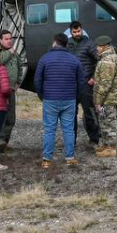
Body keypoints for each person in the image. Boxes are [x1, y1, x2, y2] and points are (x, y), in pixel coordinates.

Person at [35, 33, 85, 168]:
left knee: (49, 130)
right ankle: (70, 157)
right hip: (69, 99)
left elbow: (37, 80)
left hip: (50, 99)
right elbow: (81, 81)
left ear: (55, 43)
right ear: (66, 44)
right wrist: (76, 97)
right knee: (69, 130)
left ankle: (47, 159)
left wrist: (42, 96)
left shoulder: (44, 59)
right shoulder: (74, 60)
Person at [66, 21, 101, 147]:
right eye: (74, 32)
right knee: (70, 115)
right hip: (70, 85)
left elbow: (100, 61)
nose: (77, 34)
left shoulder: (89, 44)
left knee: (90, 113)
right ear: (71, 32)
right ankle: (71, 141)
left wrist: (94, 77)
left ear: (82, 30)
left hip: (86, 84)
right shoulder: (67, 45)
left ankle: (94, 139)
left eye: (78, 31)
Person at [92, 35, 117, 158]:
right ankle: (106, 145)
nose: (97, 48)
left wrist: (98, 101)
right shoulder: (111, 58)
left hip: (108, 98)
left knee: (109, 123)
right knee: (104, 122)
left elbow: (104, 84)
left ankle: (111, 148)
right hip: (110, 97)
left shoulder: (107, 61)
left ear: (105, 47)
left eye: (99, 46)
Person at [0, 30, 23, 150]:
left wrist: (18, 82)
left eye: (10, 38)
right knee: (2, 116)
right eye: (6, 39)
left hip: (11, 89)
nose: (9, 41)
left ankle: (4, 142)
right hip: (0, 90)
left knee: (11, 118)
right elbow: (0, 61)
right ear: (1, 40)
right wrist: (10, 52)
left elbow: (20, 66)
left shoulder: (15, 54)